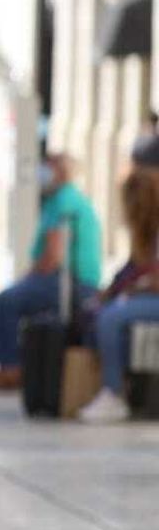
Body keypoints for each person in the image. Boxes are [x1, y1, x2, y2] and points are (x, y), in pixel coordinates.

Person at [0, 153, 103, 391]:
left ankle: (10, 369)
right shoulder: (73, 199)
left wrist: (29, 277)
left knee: (8, 299)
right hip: (80, 282)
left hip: (70, 283)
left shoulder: (62, 202)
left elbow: (53, 256)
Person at [79, 169, 159, 423]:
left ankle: (112, 393)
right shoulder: (147, 235)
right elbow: (133, 269)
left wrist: (132, 291)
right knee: (103, 312)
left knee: (111, 318)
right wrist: (115, 291)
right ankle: (121, 387)